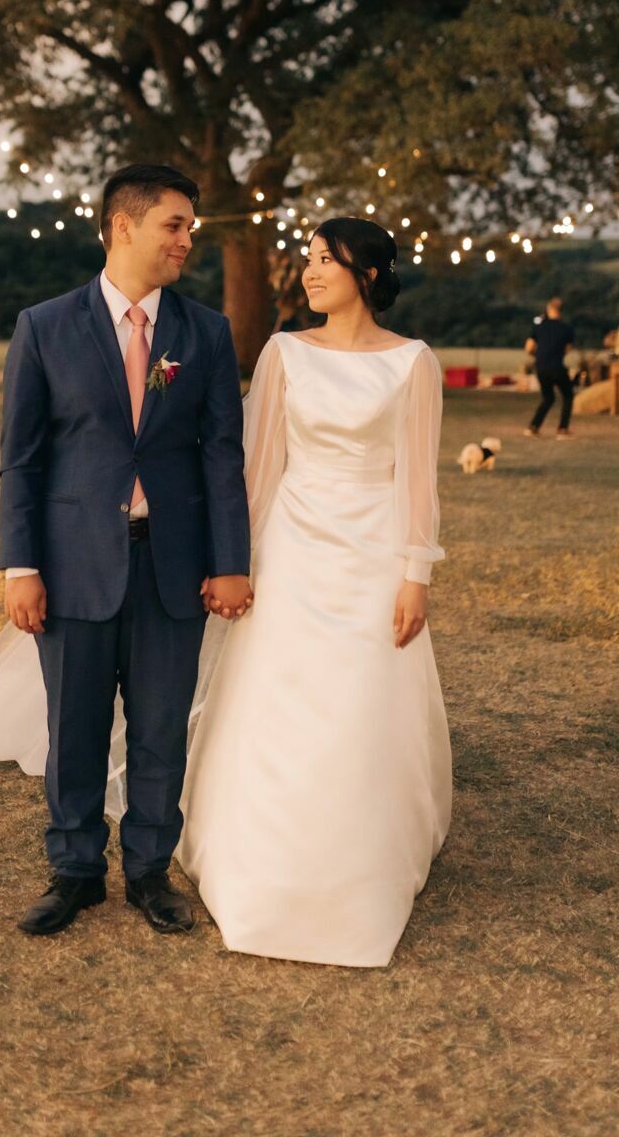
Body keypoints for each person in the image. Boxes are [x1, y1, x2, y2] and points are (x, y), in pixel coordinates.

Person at [0, 163, 252, 938]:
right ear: (123, 226)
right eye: (173, 225)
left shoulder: (205, 333)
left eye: (189, 229)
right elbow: (21, 460)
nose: (185, 241)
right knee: (74, 729)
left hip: (172, 567)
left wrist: (229, 561)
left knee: (159, 728)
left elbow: (222, 455)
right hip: (72, 564)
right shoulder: (44, 327)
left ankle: (149, 871)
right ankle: (75, 871)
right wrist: (21, 567)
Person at [177, 219, 452, 965]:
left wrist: (415, 576)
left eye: (326, 259)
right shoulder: (284, 352)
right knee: (280, 696)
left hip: (372, 554)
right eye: (309, 259)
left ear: (367, 273)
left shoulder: (413, 363)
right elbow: (257, 467)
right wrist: (232, 560)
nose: (310, 271)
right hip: (291, 550)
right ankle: (257, 857)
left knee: (359, 700)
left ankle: (357, 862)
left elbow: (417, 481)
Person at [524, 296, 576, 438]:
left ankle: (533, 427)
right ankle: (563, 428)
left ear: (548, 309)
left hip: (541, 367)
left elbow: (528, 348)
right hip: (557, 366)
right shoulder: (567, 328)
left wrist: (539, 355)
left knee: (548, 398)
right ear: (561, 311)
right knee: (568, 396)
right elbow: (567, 349)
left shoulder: (538, 326)